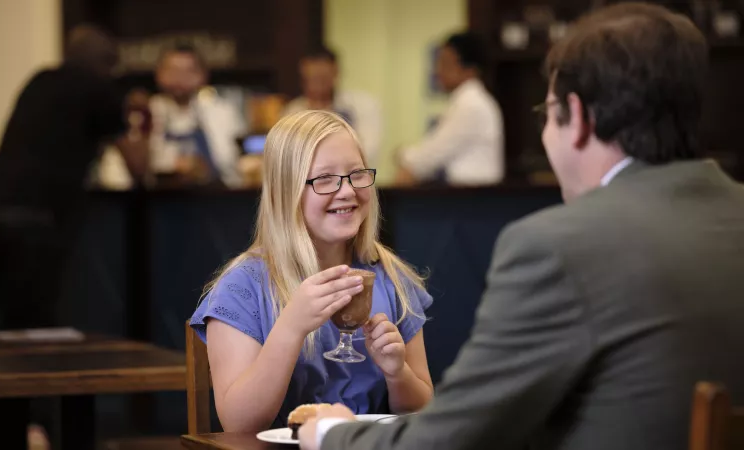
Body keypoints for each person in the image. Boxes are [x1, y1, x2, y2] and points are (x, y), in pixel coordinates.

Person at [300, 3, 744, 450]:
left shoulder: (560, 247)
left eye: (545, 113)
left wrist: (333, 435)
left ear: (578, 118)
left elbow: (454, 439)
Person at [188, 110, 433, 432]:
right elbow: (238, 423)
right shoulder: (243, 287)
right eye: (324, 179)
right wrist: (290, 328)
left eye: (357, 174)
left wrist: (397, 372)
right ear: (286, 192)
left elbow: (424, 410)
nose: (346, 191)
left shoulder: (391, 278)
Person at [0, 24, 148, 332]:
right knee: (34, 332)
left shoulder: (40, 80)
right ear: (107, 65)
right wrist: (142, 118)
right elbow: (138, 165)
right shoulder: (98, 88)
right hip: (34, 223)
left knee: (8, 328)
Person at [395, 32, 503, 186]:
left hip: (473, 198)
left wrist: (402, 154)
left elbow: (430, 156)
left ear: (470, 69)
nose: (437, 71)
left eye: (445, 63)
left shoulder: (471, 103)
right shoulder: (465, 100)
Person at [148, 43, 245, 187]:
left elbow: (237, 161)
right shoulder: (147, 111)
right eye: (173, 70)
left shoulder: (222, 111)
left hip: (216, 198)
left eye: (188, 71)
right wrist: (173, 164)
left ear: (203, 75)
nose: (180, 77)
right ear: (158, 73)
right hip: (158, 199)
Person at [284, 47, 383, 162]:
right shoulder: (292, 111)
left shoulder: (362, 105)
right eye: (311, 79)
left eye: (322, 79)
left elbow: (368, 151)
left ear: (335, 73)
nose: (316, 87)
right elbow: (288, 154)